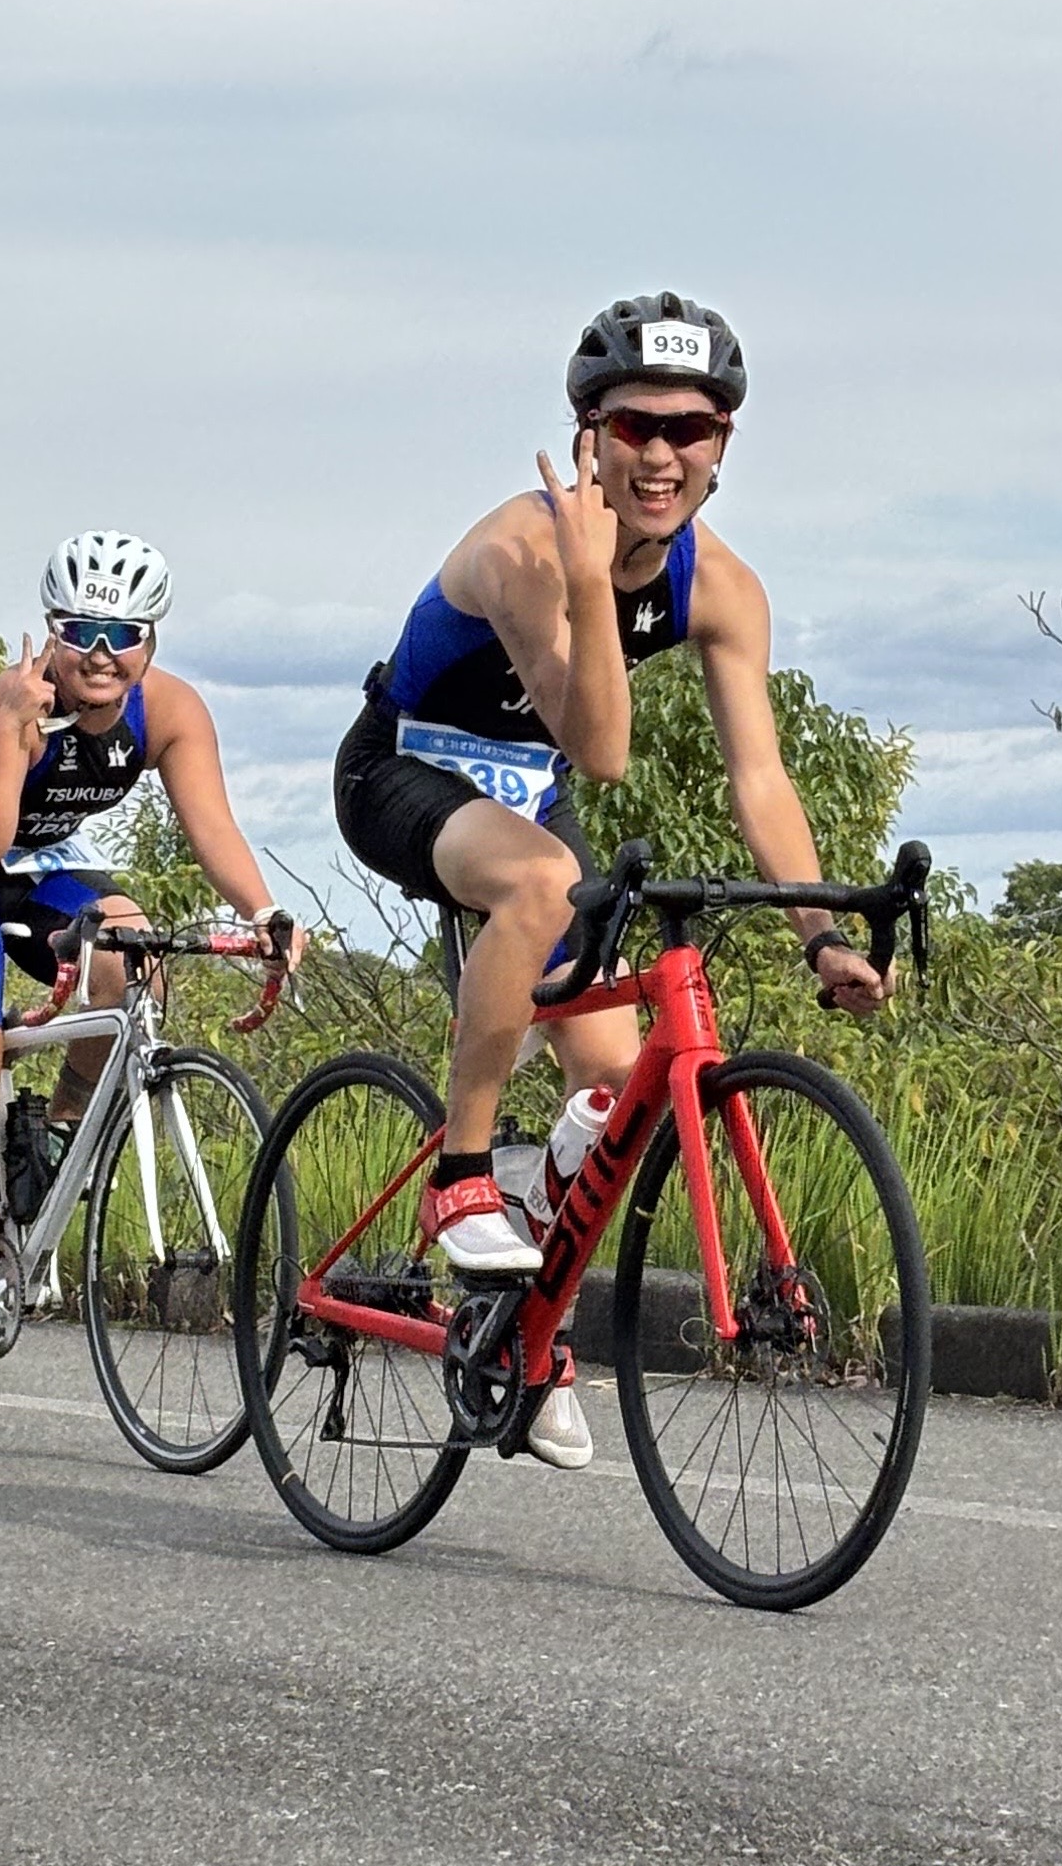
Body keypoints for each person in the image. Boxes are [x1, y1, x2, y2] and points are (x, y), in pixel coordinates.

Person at [333, 292, 894, 1469]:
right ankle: (461, 1177)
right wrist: (593, 584)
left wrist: (816, 934)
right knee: (539, 883)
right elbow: (604, 749)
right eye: (634, 423)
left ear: (722, 445)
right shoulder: (524, 550)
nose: (660, 453)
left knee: (613, 1099)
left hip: (527, 793)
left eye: (690, 428)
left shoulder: (722, 586)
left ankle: (522, 1333)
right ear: (587, 430)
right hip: (404, 768)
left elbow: (760, 779)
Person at [0, 531, 297, 1399]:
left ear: (152, 638)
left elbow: (211, 828)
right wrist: (14, 738)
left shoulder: (170, 711)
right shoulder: (11, 705)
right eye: (81, 631)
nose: (102, 654)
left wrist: (262, 911)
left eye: (125, 632)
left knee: (134, 950)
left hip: (41, 870)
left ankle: (58, 1134)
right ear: (50, 631)